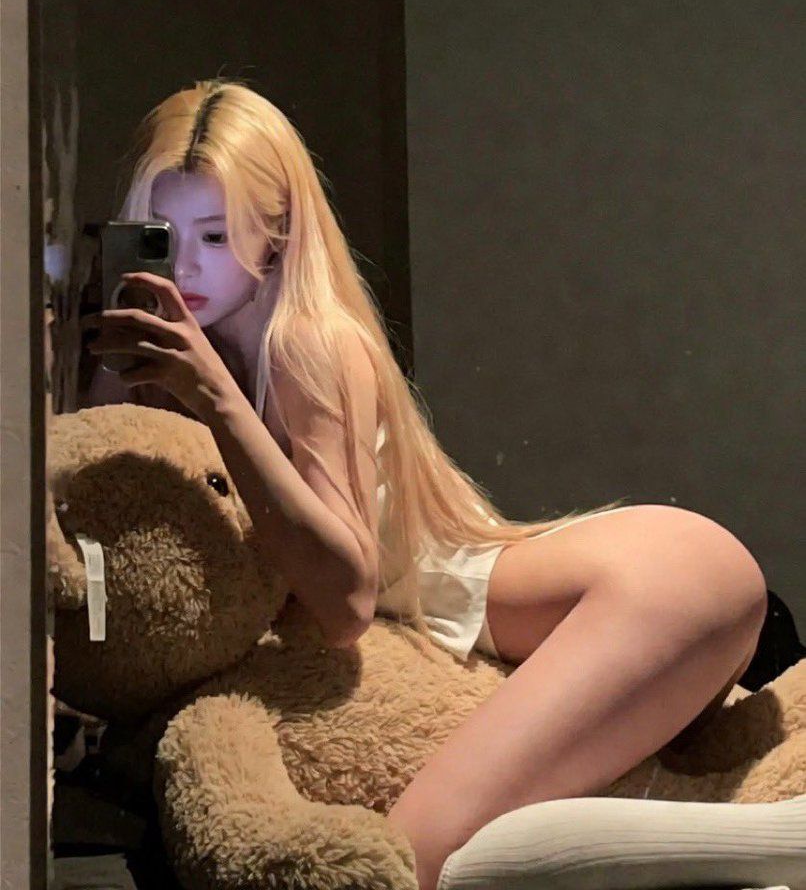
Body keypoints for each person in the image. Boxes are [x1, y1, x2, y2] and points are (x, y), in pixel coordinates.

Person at [85, 79, 773, 890]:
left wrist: (216, 399)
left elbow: (344, 602)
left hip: (654, 584)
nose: (189, 265)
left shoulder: (306, 344)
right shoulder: (188, 361)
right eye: (163, 235)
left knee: (408, 860)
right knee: (481, 855)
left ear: (277, 233)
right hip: (635, 587)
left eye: (218, 234)